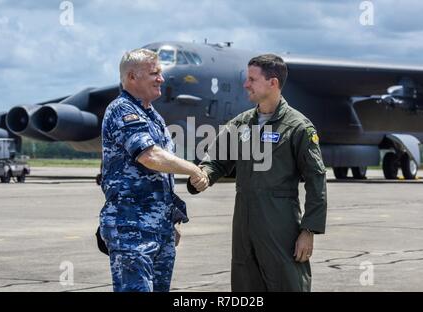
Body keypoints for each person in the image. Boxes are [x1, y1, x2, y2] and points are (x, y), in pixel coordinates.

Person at [189, 54, 327, 292]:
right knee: (245, 284)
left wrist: (309, 230)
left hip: (280, 222)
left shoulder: (298, 127)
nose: (246, 84)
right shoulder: (240, 124)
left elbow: (316, 179)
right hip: (243, 222)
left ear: (272, 83)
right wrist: (204, 176)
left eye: (252, 79)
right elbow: (217, 161)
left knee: (287, 283)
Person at [99, 48, 208, 292]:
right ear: (131, 77)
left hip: (158, 228)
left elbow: (161, 176)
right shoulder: (122, 110)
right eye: (154, 73)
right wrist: (193, 169)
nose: (161, 78)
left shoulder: (153, 116)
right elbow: (150, 156)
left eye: (160, 73)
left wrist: (170, 220)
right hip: (133, 228)